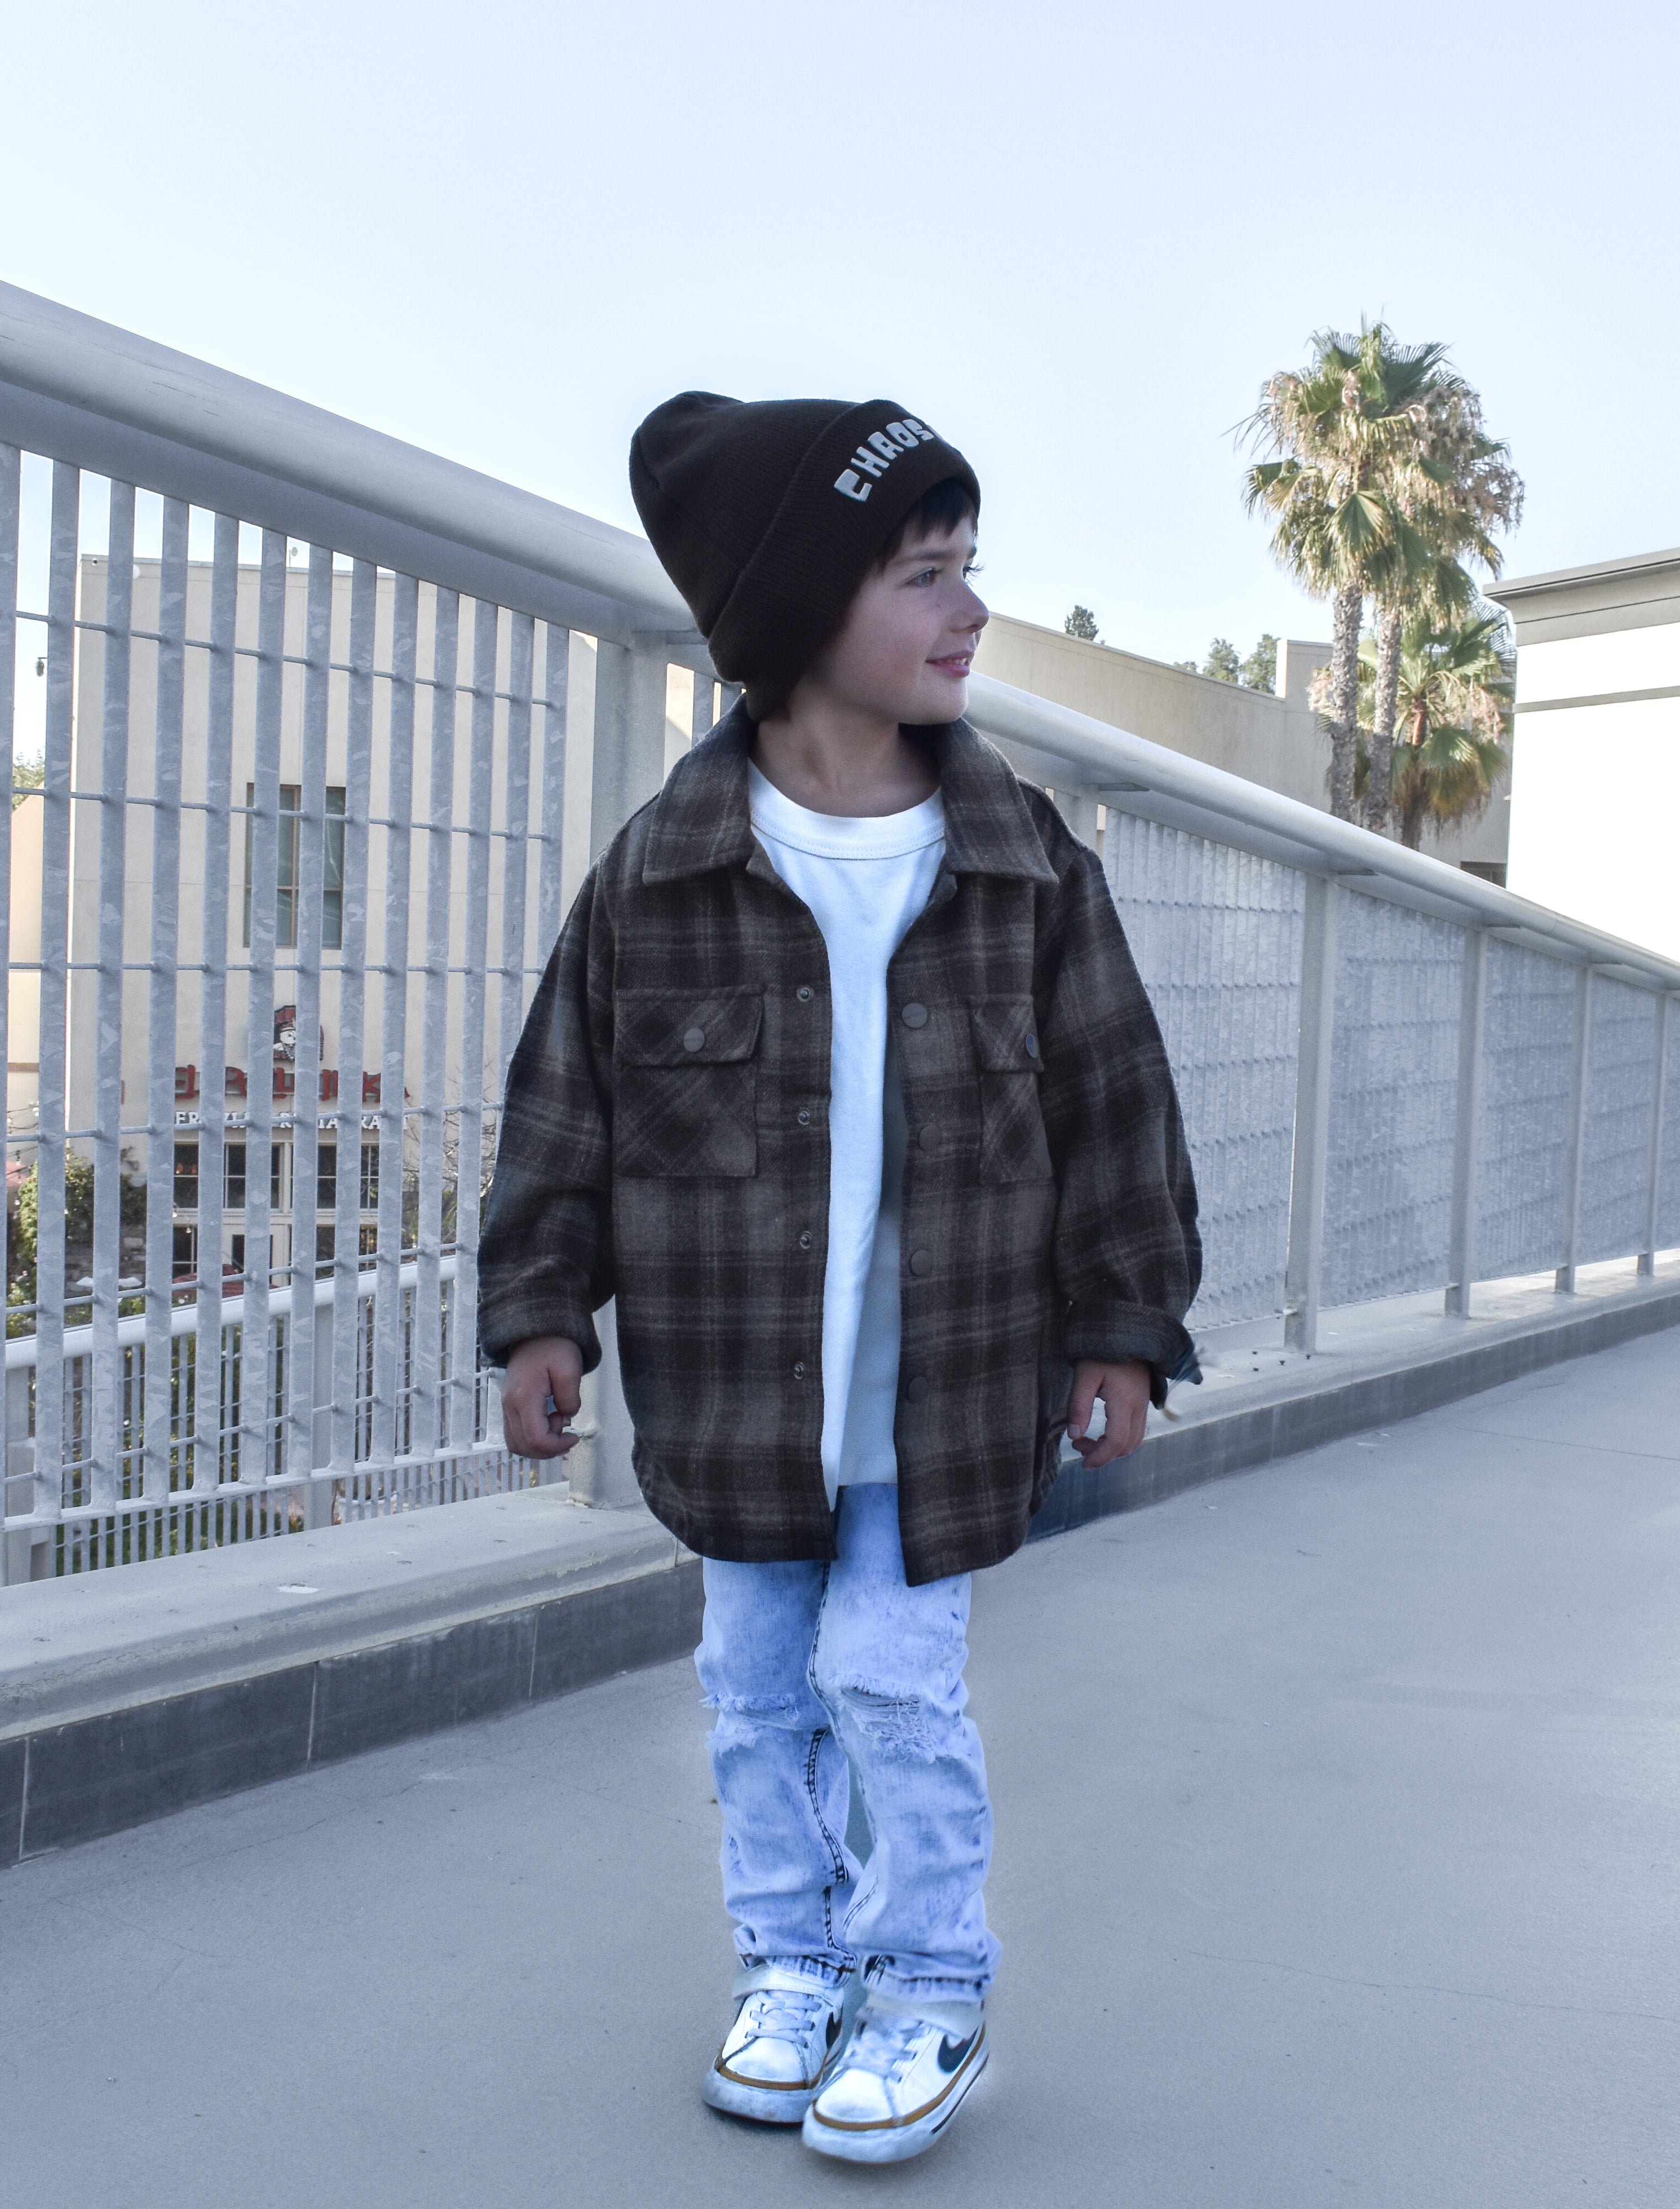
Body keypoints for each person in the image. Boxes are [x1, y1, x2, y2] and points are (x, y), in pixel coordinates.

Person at [479, 393, 1200, 2164]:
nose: (969, 613)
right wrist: (538, 1308)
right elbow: (561, 1107)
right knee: (750, 1687)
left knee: (890, 1675)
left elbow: (1121, 1109)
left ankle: (933, 1981)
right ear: (801, 614)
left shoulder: (1030, 865)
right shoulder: (658, 873)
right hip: (741, 1399)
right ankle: (791, 1966)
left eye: (974, 571)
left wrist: (1124, 1326)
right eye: (927, 577)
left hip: (942, 1389)